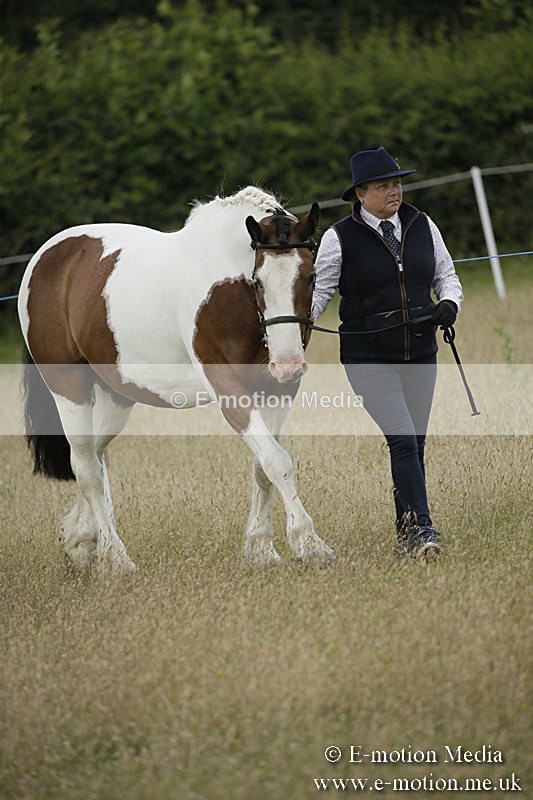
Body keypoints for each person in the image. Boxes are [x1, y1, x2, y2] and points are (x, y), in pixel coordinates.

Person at [312, 146, 463, 560]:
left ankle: (407, 529)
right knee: (401, 438)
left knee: (415, 443)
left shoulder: (422, 224)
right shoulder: (337, 238)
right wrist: (295, 332)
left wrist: (449, 303)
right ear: (360, 193)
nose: (394, 191)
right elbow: (320, 292)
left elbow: (446, 276)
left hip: (421, 352)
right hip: (368, 359)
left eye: (397, 183)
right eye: (383, 185)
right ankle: (422, 532)